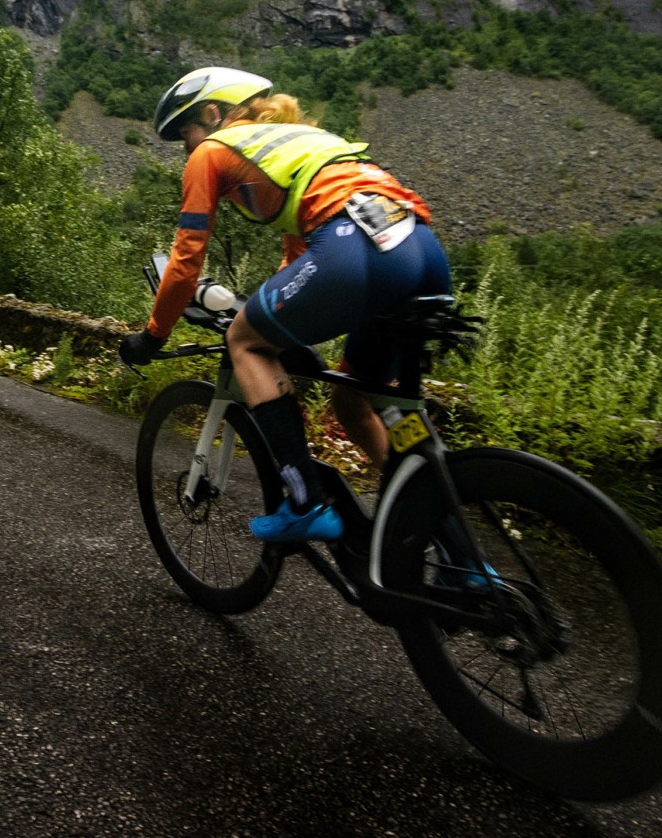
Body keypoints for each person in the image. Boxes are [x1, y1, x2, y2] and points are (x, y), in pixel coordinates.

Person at [120, 66, 452, 543]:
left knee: (245, 343)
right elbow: (299, 258)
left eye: (186, 134)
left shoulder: (213, 151)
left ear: (212, 114)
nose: (186, 150)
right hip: (422, 250)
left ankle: (304, 501)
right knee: (356, 400)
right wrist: (279, 324)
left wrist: (153, 335)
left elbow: (187, 259)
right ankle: (457, 552)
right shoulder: (300, 142)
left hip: (354, 246)